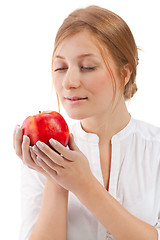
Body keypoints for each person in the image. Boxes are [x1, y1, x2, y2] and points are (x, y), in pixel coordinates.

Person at [13, 5, 160, 240]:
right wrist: (55, 178)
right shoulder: (41, 155)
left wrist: (84, 185)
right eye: (61, 67)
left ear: (125, 73)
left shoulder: (156, 149)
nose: (68, 82)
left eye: (88, 67)